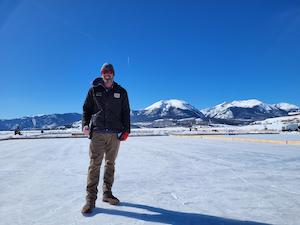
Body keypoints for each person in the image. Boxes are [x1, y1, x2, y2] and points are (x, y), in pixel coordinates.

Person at [81, 63, 130, 214]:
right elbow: (86, 109)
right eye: (104, 72)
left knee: (110, 164)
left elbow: (126, 112)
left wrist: (126, 130)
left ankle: (107, 194)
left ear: (113, 74)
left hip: (115, 134)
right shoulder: (94, 90)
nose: (107, 74)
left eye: (109, 72)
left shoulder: (121, 91)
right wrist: (85, 125)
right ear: (102, 74)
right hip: (98, 133)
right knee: (94, 164)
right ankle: (90, 199)